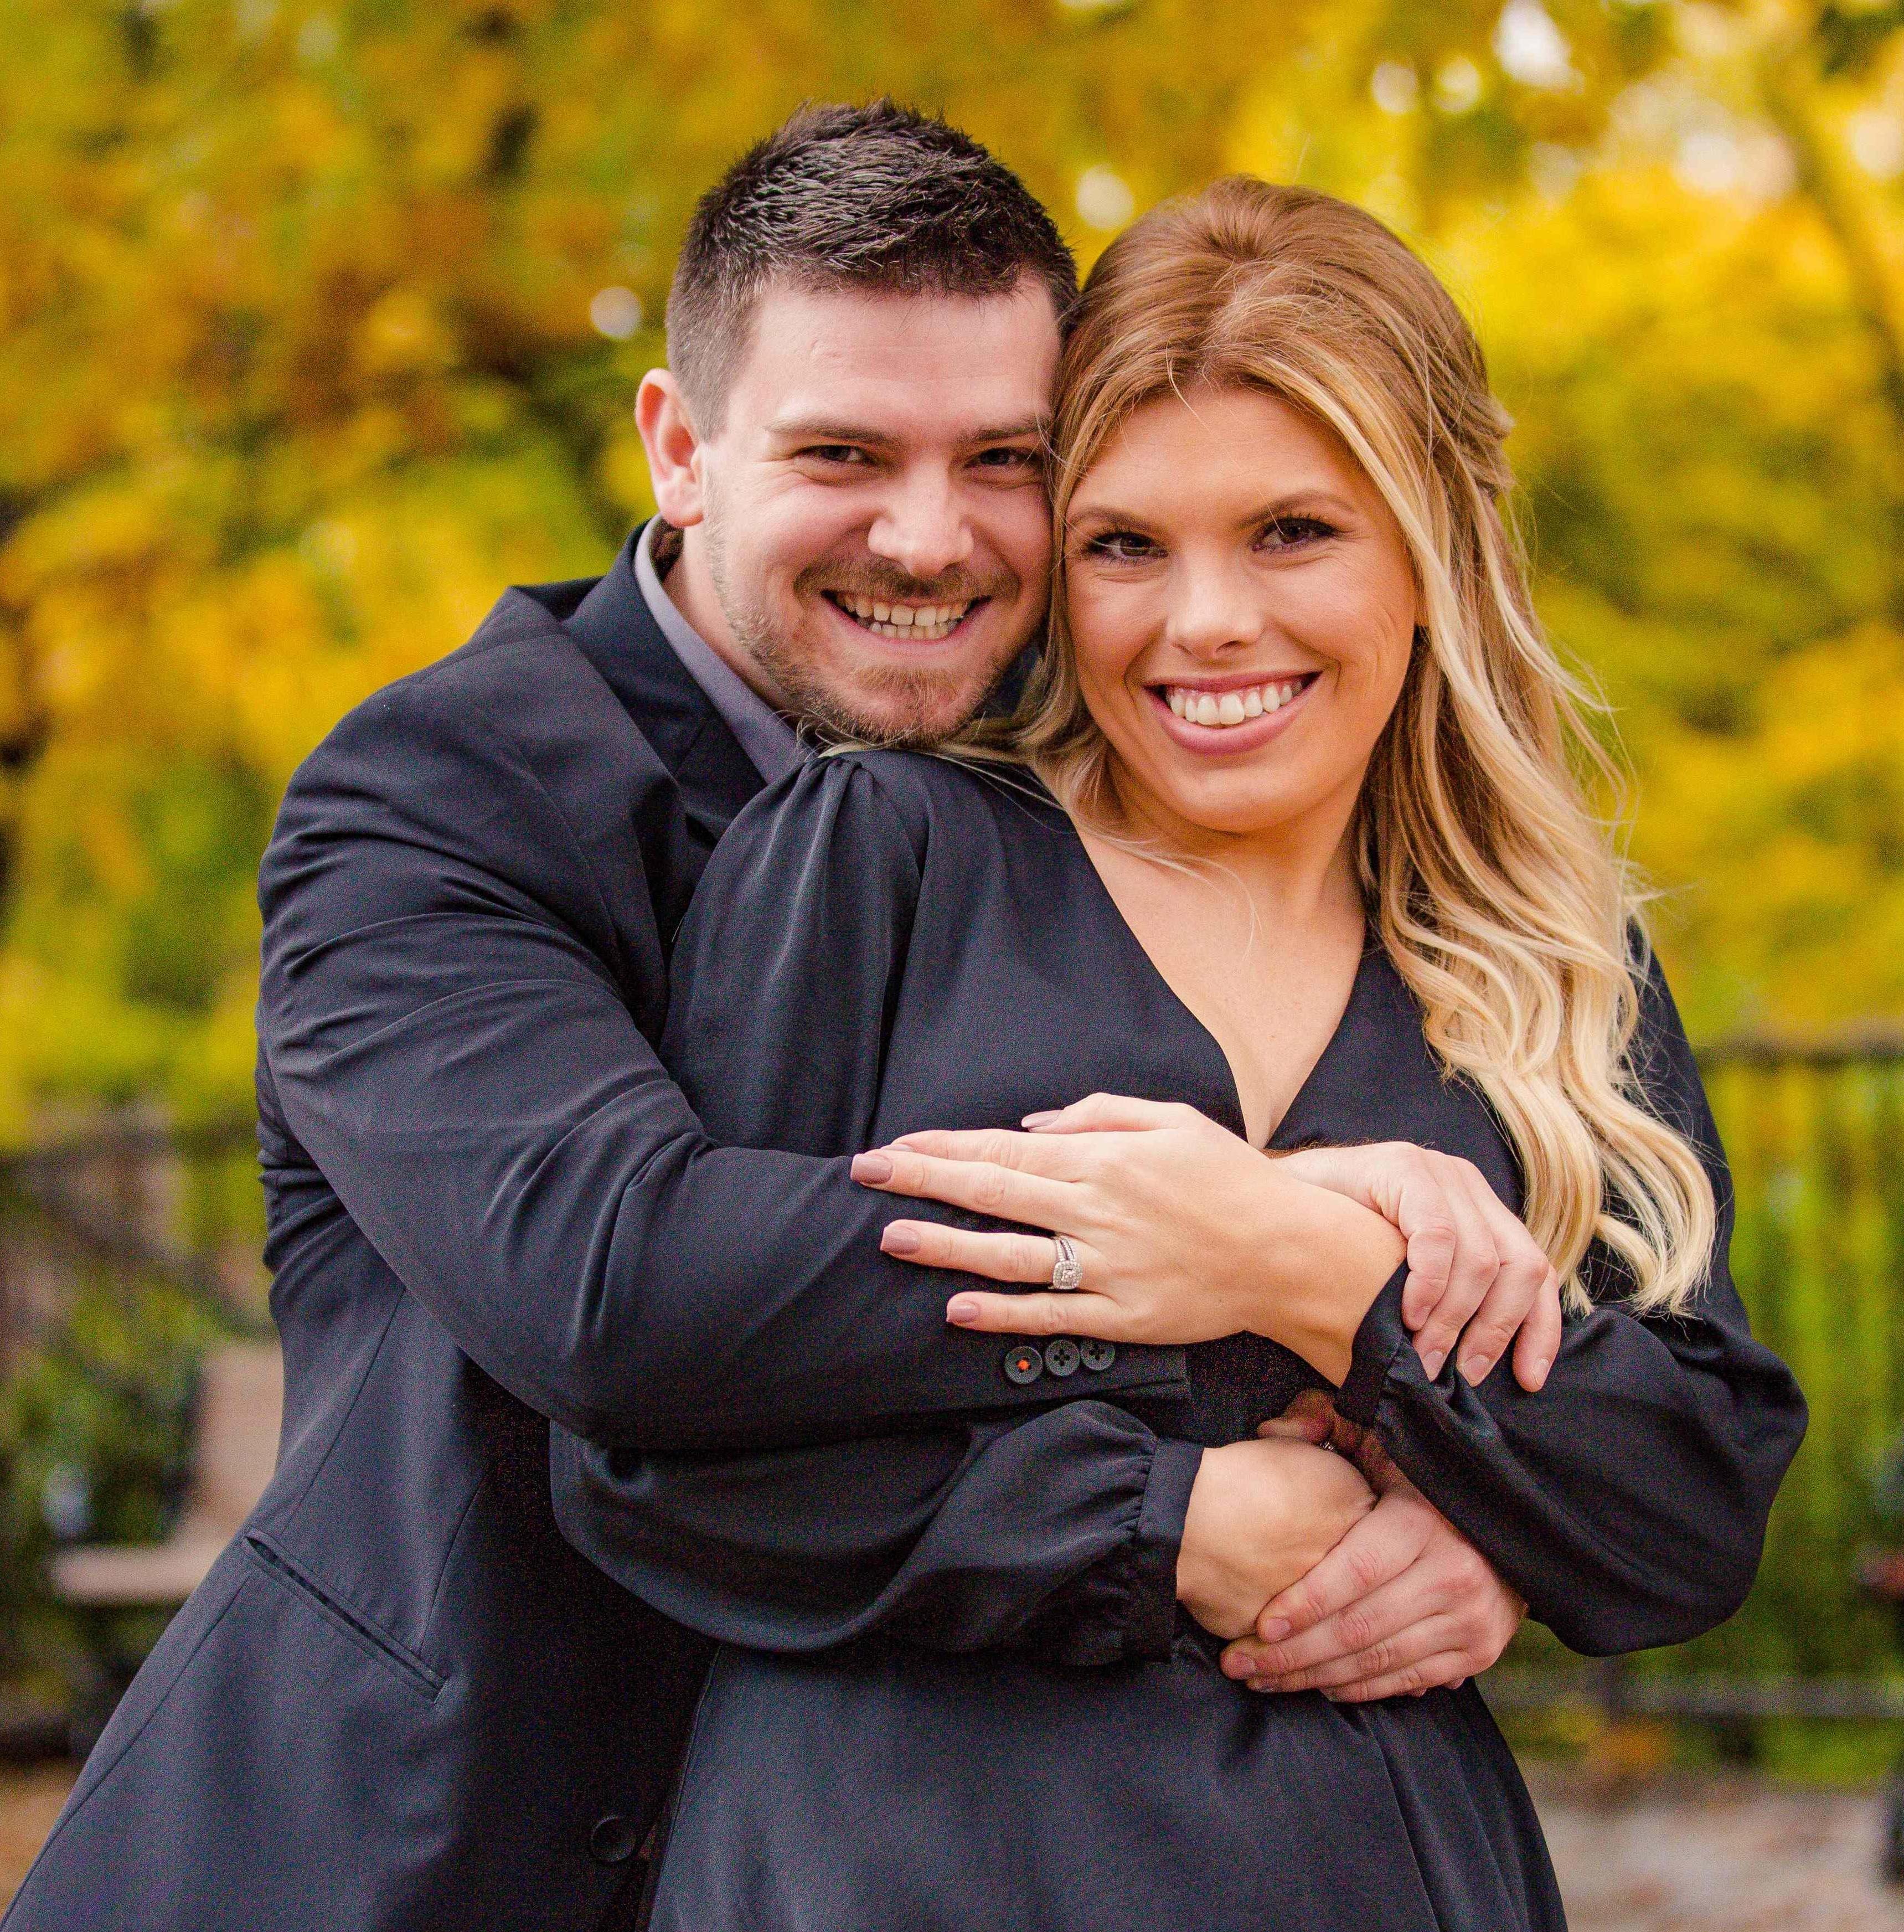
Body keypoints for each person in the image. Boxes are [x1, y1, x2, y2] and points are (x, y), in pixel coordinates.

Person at [2, 110, 1541, 1932]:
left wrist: (1465, 1521)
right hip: (420, 1849)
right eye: (842, 452)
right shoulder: (437, 797)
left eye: (1002, 459)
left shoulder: (1105, 770)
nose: (927, 534)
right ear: (680, 448)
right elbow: (613, 1279)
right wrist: (1251, 1245)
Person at [560, 178, 1809, 1931]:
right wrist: (1162, 1519)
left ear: (1431, 546)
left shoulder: (1548, 966)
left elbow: (1687, 1508)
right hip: (895, 1873)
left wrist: (1327, 1287)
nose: (1205, 620)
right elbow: (656, 1457)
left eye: (1291, 532)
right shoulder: (881, 857)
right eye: (1125, 546)